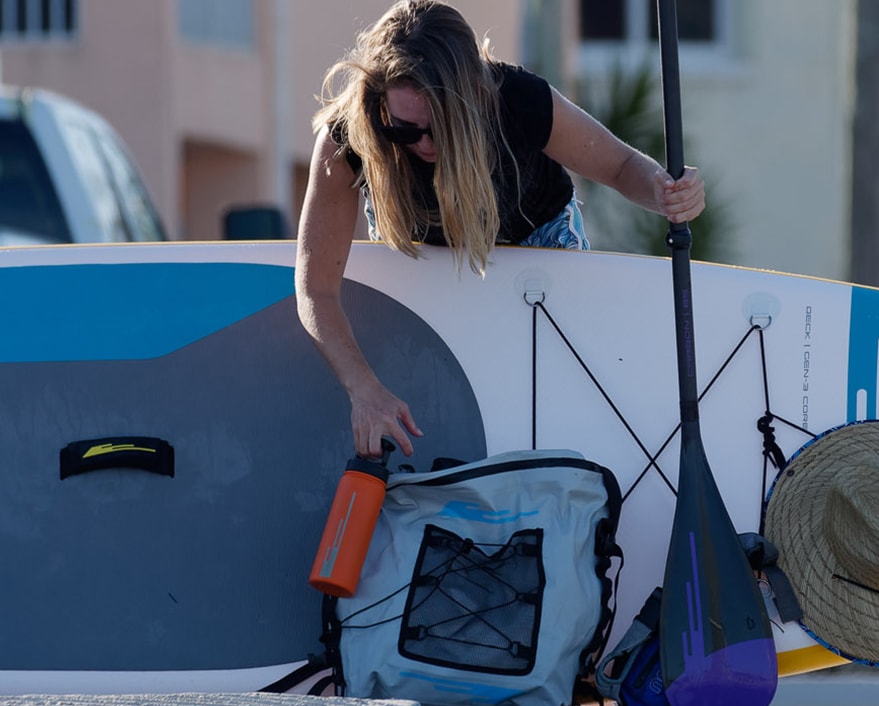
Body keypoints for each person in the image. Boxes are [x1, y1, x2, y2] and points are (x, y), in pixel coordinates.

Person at [295, 0, 705, 459]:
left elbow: (623, 166)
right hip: (424, 260)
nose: (425, 145)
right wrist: (363, 391)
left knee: (554, 399)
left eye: (441, 128)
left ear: (476, 96)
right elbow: (316, 289)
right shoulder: (348, 135)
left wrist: (666, 192)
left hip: (539, 244)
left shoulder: (519, 99)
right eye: (406, 132)